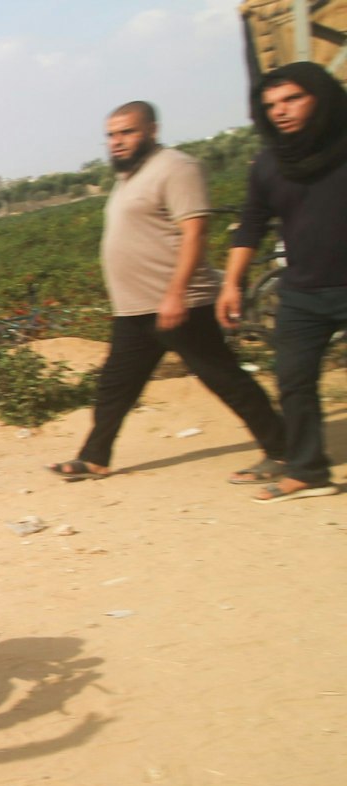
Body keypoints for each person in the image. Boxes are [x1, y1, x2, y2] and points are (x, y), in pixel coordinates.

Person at [44, 100, 285, 485]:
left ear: (152, 130)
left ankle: (283, 451)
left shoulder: (176, 168)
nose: (117, 142)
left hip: (181, 303)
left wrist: (175, 294)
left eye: (127, 132)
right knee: (114, 385)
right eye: (111, 135)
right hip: (136, 309)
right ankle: (94, 458)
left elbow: (195, 232)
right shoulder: (128, 177)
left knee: (222, 377)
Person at [219, 63, 347, 503]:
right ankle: (309, 471)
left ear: (321, 96)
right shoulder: (270, 163)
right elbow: (251, 224)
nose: (280, 111)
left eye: (292, 98)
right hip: (303, 292)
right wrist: (232, 283)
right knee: (293, 381)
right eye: (271, 104)